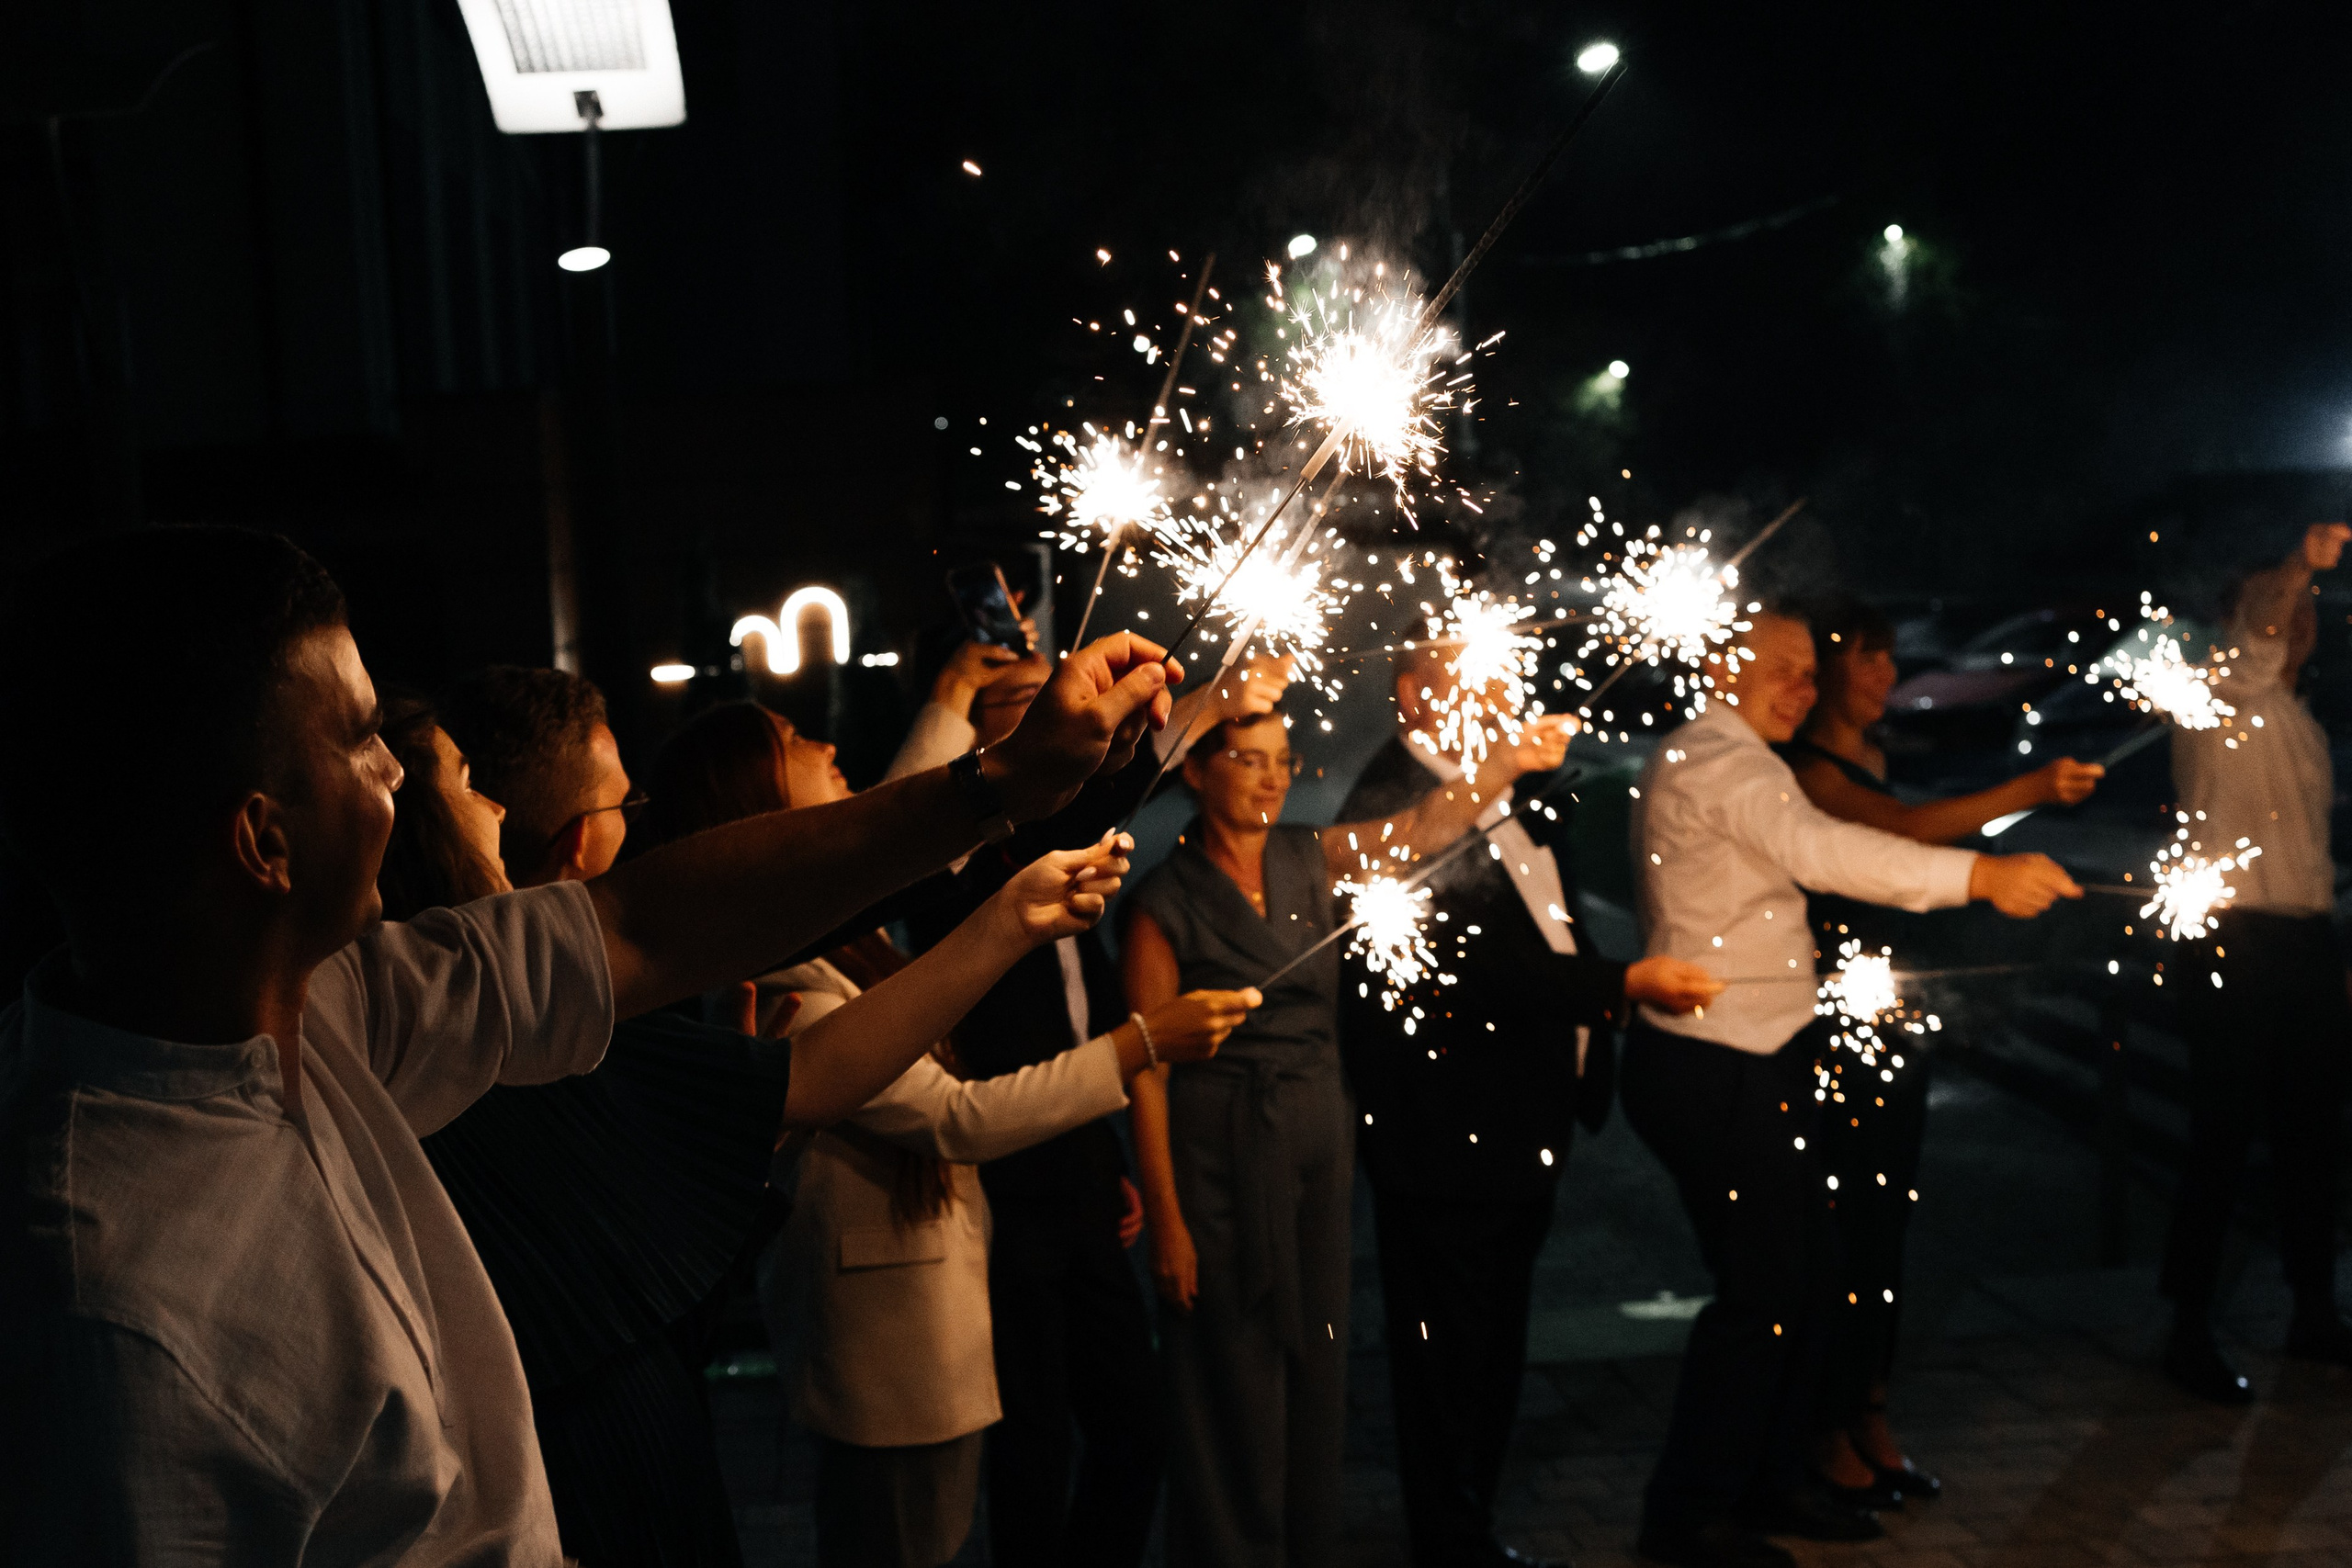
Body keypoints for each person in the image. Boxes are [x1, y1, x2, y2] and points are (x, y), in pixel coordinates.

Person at [0, 525, 1178, 1564]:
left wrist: (997, 786)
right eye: (359, 738)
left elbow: (641, 924)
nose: (399, 769)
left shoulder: (334, 1011)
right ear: (263, 841)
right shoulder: (120, 1316)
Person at [639, 699, 1255, 1568]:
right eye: (791, 742)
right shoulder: (794, 986)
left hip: (934, 1322)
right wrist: (1142, 1041)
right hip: (886, 1357)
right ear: (756, 799)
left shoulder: (834, 941)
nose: (825, 739)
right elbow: (957, 1115)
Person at [1625, 607, 2083, 1568]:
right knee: (1763, 1294)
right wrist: (1978, 878)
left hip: (1755, 1053)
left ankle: (1771, 1479)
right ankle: (1688, 1516)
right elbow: (1824, 854)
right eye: (1782, 669)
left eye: (1807, 671)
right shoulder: (1723, 760)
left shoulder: (1733, 752)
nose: (1802, 686)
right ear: (1720, 667)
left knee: (1805, 1275)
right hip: (1718, 1061)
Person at [1123, 698, 1561, 1568]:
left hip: (1317, 1134)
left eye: (1283, 758)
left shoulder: (1306, 856)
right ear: (1199, 771)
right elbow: (1143, 1069)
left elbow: (1418, 829)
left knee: (1314, 1362)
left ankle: (1304, 1546)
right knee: (1231, 1364)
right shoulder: (1162, 902)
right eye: (1249, 758)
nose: (1275, 776)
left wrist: (1504, 763)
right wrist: (1167, 1221)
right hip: (1219, 1148)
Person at [893, 632, 1283, 1567]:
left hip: (1078, 1182)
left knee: (1132, 1427)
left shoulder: (1057, 846)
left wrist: (1109, 1167)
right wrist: (1211, 705)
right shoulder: (958, 866)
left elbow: (1103, 793)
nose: (1061, 717)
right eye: (1028, 704)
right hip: (1003, 1191)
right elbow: (1108, 787)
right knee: (1032, 1442)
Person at [1337, 645, 1723, 1568]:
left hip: (1517, 1121)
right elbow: (1466, 970)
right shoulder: (1392, 803)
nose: (1512, 697)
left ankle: (1472, 1523)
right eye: (1488, 677)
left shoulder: (1504, 792)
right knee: (1448, 1351)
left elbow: (1548, 919)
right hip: (1447, 1130)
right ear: (1417, 693)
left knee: (1492, 1339)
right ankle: (1451, 1537)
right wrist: (1618, 980)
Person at [413, 672, 782, 1568]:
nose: (495, 811)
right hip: (593, 1469)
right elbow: (815, 1079)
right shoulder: (515, 1029)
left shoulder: (464, 1011)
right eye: (463, 782)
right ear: (581, 842)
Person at [1781, 592, 2103, 1506]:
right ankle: (1821, 1420)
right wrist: (2029, 791)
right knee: (1841, 1224)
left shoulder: (1872, 755)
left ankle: (1869, 1407)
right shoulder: (1804, 771)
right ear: (1828, 670)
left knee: (1886, 1218)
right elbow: (1900, 833)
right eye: (1866, 657)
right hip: (1829, 1022)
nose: (1887, 672)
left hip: (1891, 1011)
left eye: (1890, 655)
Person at [2160, 521, 2352, 1401]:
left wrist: (2329, 946)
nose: (2296, 620)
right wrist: (2295, 569)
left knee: (2313, 1135)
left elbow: (2310, 851)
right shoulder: (2217, 696)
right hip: (2235, 939)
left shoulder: (2299, 722)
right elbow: (2257, 637)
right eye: (2280, 611)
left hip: (2301, 940)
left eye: (2308, 610)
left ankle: (2313, 1310)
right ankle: (2187, 1326)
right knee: (2223, 1135)